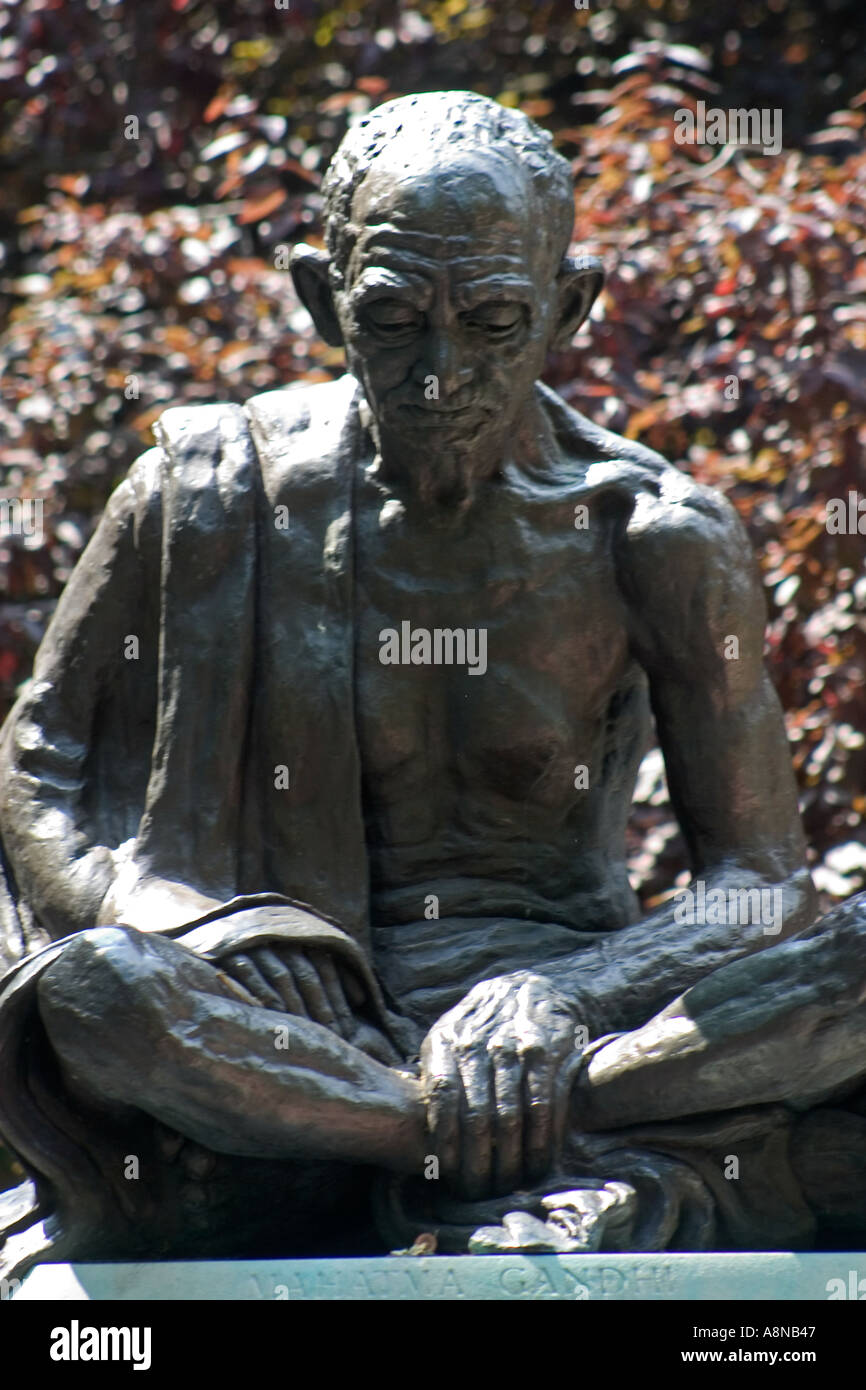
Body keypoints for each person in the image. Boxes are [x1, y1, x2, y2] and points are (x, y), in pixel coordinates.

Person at [1, 91, 858, 1275]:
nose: (441, 373)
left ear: (568, 305)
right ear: (319, 299)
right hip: (280, 1025)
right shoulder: (199, 493)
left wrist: (556, 1001)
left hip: (574, 1018)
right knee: (94, 993)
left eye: (494, 320)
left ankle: (413, 1138)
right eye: (394, 318)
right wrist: (183, 918)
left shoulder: (651, 537)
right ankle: (449, 1137)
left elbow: (760, 884)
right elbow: (36, 763)